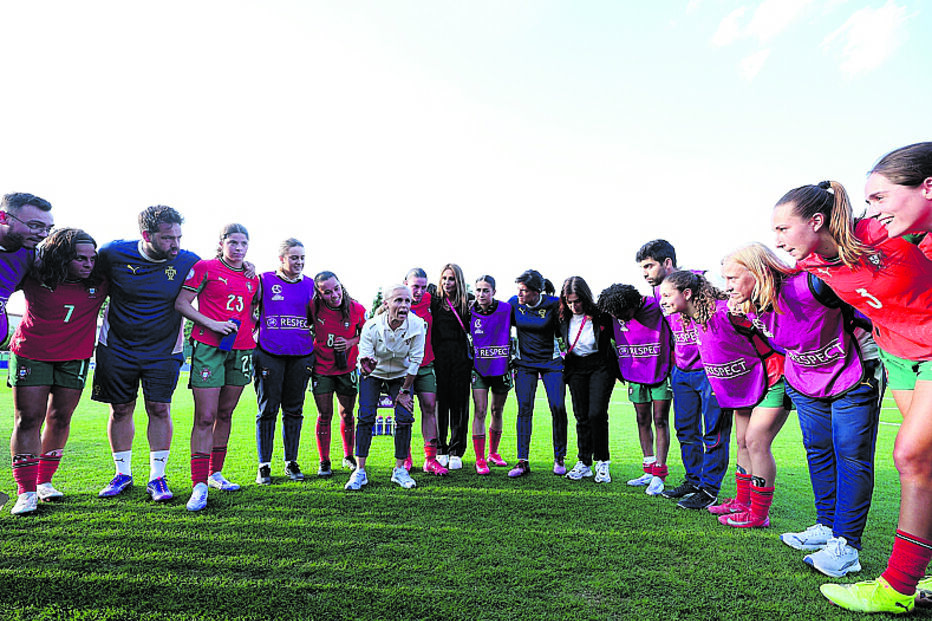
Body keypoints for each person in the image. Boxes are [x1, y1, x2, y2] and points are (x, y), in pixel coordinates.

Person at [771, 172, 932, 613]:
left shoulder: (878, 230)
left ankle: (896, 589)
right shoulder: (808, 266)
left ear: (818, 221)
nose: (778, 239)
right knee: (927, 464)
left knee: (911, 457)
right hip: (900, 356)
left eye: (783, 228)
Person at [725, 243, 882, 578]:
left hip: (851, 373)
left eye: (732, 278)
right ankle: (826, 527)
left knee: (851, 454)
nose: (727, 286)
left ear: (760, 271)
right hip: (804, 382)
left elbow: (864, 297)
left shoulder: (810, 284)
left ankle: (847, 545)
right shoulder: (751, 306)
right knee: (818, 451)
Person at [660, 270, 788, 522]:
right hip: (744, 387)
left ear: (686, 294)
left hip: (771, 378)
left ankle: (759, 515)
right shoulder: (693, 319)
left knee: (755, 443)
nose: (661, 300)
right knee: (742, 441)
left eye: (666, 295)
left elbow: (769, 332)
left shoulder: (726, 312)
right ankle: (742, 502)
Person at [93, 205, 199, 503]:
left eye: (178, 236)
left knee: (159, 409)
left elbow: (220, 277)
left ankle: (158, 477)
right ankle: (122, 474)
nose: (175, 244)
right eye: (167, 238)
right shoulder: (113, 253)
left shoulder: (189, 261)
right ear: (146, 235)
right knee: (120, 409)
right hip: (117, 347)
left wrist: (248, 268)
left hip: (164, 351)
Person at [8, 229, 107, 515]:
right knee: (29, 419)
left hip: (75, 357)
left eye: (92, 258)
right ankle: (25, 492)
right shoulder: (33, 274)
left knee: (60, 418)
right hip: (31, 353)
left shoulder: (101, 281)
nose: (88, 264)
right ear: (61, 257)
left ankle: (44, 482)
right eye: (80, 258)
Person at [636, 240, 729, 505]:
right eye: (642, 267)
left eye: (649, 266)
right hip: (682, 370)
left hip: (709, 371)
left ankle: (709, 489)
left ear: (667, 263)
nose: (645, 273)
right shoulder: (657, 294)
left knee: (713, 431)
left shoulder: (699, 284)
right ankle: (694, 480)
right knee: (685, 430)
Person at [175, 224, 259, 511]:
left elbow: (254, 310)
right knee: (205, 416)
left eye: (243, 243)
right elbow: (182, 303)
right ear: (221, 243)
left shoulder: (253, 278)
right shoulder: (205, 267)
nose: (238, 248)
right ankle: (198, 485)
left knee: (225, 413)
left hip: (242, 348)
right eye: (233, 242)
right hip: (209, 347)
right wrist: (211, 324)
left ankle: (215, 474)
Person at [344, 284, 424, 491]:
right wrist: (366, 365)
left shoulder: (417, 325)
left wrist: (405, 391)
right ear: (386, 304)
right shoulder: (371, 326)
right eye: (398, 300)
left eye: (407, 301)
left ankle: (399, 470)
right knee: (366, 416)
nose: (404, 305)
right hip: (375, 374)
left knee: (405, 417)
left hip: (400, 376)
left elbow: (415, 362)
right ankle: (360, 470)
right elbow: (363, 360)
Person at [597, 283, 673, 493]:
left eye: (622, 313)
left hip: (660, 371)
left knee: (660, 419)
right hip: (634, 374)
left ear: (633, 303)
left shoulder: (656, 305)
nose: (619, 317)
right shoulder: (614, 313)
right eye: (615, 314)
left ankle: (659, 473)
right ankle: (648, 469)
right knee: (642, 420)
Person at [253, 239, 314, 485]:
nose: (299, 262)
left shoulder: (311, 284)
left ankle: (291, 461)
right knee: (267, 410)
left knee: (294, 410)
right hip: (269, 351)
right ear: (281, 259)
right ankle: (264, 465)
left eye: (302, 258)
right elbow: (248, 305)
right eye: (294, 258)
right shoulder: (263, 279)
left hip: (301, 353)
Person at [508, 269, 568, 478]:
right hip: (525, 364)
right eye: (518, 290)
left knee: (558, 407)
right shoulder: (515, 304)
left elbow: (565, 329)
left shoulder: (553, 304)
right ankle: (522, 461)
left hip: (551, 363)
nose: (520, 295)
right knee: (524, 408)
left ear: (537, 292)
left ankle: (559, 457)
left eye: (524, 291)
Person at [558, 276, 614, 483]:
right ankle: (584, 462)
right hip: (576, 368)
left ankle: (602, 462)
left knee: (597, 413)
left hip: (600, 366)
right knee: (581, 416)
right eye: (569, 301)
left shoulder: (600, 315)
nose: (574, 306)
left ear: (585, 297)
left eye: (577, 301)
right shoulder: (562, 317)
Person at [311, 270, 366, 476]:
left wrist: (350, 342)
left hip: (347, 368)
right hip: (322, 369)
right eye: (326, 292)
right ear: (319, 293)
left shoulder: (357, 309)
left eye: (336, 289)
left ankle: (348, 456)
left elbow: (367, 335)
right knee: (324, 414)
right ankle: (324, 461)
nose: (334, 295)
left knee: (347, 414)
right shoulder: (313, 308)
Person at [404, 268, 447, 475]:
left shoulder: (430, 299)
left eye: (422, 287)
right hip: (403, 368)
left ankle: (430, 459)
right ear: (405, 284)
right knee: (404, 411)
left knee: (430, 407)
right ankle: (405, 457)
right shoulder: (396, 300)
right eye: (415, 286)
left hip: (426, 364)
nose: (419, 291)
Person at [431, 263, 473, 470]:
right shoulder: (434, 300)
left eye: (452, 279)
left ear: (459, 281)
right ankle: (440, 448)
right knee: (440, 404)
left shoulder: (468, 304)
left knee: (460, 406)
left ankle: (457, 450)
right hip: (438, 359)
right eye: (445, 278)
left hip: (461, 360)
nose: (447, 283)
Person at [468, 275, 511, 474]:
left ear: (494, 291)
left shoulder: (506, 309)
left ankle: (493, 453)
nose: (481, 294)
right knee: (480, 410)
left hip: (501, 368)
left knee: (497, 410)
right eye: (478, 290)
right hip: (479, 368)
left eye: (486, 290)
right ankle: (480, 459)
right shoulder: (468, 311)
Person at [1, 193, 54, 347]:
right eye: (35, 225)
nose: (43, 235)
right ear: (3, 217)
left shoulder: (31, 257)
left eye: (48, 228)